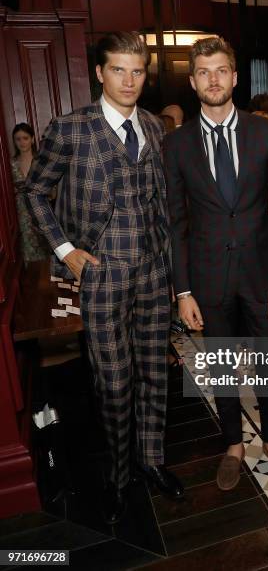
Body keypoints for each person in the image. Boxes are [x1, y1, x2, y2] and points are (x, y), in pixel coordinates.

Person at [26, 31, 183, 525]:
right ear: (99, 73)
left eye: (137, 71)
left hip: (154, 271)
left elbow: (159, 203)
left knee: (155, 373)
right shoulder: (69, 129)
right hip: (101, 273)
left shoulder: (156, 127)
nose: (130, 80)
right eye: (119, 69)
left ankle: (152, 460)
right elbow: (34, 192)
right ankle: (118, 478)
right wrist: (66, 249)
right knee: (114, 383)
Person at [164, 36, 268, 491]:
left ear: (235, 76)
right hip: (206, 280)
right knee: (220, 365)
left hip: (264, 278)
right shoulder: (177, 144)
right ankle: (233, 445)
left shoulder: (264, 133)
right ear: (193, 81)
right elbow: (175, 222)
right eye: (204, 72)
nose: (213, 79)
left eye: (221, 70)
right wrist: (183, 291)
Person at [11, 123, 50, 263]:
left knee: (47, 249)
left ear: (32, 139)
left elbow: (53, 187)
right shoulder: (11, 164)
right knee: (27, 249)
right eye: (18, 139)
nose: (22, 142)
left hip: (42, 210)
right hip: (21, 214)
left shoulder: (42, 161)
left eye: (25, 138)